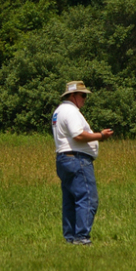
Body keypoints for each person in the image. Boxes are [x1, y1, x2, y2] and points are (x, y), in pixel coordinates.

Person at [52, 81, 114, 245]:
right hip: (77, 159)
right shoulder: (71, 111)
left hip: (64, 158)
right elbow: (78, 135)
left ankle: (71, 237)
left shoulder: (59, 111)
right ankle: (82, 238)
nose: (85, 99)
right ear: (73, 95)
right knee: (87, 199)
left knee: (70, 200)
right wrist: (101, 135)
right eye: (83, 95)